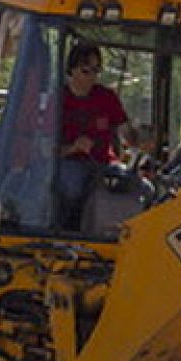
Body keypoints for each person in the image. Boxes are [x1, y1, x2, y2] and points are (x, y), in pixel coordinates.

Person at [56, 42, 133, 229]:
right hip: (68, 162)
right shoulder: (57, 100)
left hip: (103, 165)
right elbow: (43, 150)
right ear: (71, 69)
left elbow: (125, 130)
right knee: (72, 184)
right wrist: (74, 147)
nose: (92, 77)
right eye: (86, 71)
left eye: (96, 71)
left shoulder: (106, 97)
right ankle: (68, 230)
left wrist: (137, 139)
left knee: (134, 189)